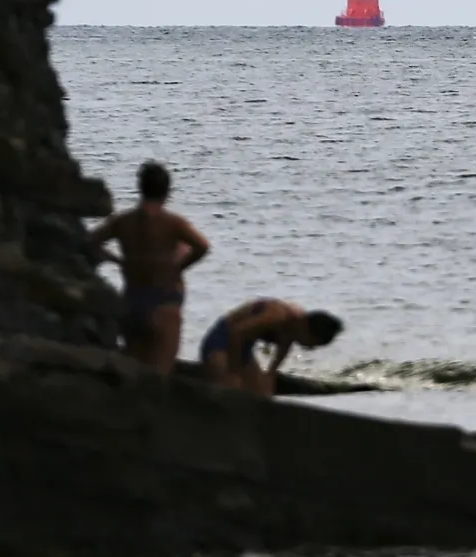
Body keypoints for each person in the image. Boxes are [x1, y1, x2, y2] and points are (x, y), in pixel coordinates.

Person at [90, 161, 210, 374]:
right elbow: (202, 246)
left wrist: (117, 260)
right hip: (164, 303)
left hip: (132, 302)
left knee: (133, 374)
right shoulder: (173, 223)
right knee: (158, 380)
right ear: (167, 192)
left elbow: (89, 241)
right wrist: (179, 267)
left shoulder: (123, 221)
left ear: (140, 188)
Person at [198, 298, 344, 396]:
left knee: (261, 395)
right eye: (312, 344)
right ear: (308, 331)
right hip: (222, 340)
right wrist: (234, 372)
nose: (311, 349)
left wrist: (269, 377)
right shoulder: (277, 316)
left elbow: (280, 355)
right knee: (230, 390)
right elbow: (237, 333)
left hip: (244, 347)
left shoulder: (294, 328)